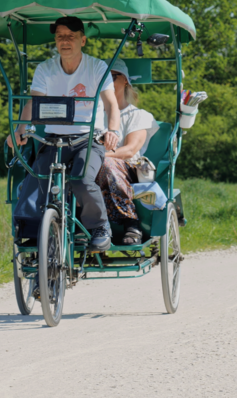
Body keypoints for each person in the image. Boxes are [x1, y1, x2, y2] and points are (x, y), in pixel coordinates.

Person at [8, 16, 121, 251]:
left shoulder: (97, 67)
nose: (65, 41)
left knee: (81, 179)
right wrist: (20, 130)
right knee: (37, 179)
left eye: (70, 36)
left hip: (87, 139)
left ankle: (100, 227)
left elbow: (111, 105)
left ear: (83, 40)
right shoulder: (45, 69)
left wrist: (113, 130)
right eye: (60, 37)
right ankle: (34, 232)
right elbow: (34, 104)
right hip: (53, 140)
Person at [95, 58, 159, 245]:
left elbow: (130, 150)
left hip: (127, 170)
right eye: (102, 78)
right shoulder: (91, 117)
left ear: (125, 81)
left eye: (112, 77)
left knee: (106, 164)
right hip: (92, 166)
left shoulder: (138, 115)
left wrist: (97, 155)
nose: (106, 82)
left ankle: (131, 222)